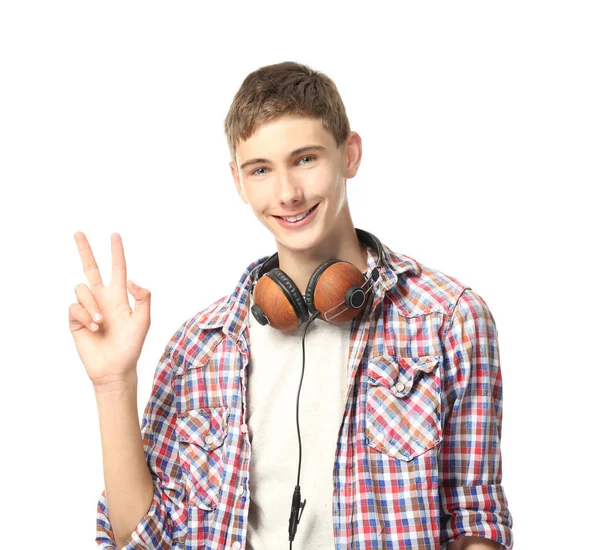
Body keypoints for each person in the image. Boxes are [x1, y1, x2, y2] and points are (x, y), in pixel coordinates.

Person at [70, 61, 514, 549]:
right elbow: (140, 539)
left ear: (350, 154)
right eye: (261, 169)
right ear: (239, 182)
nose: (287, 193)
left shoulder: (449, 319)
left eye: (305, 159)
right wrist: (113, 383)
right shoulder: (197, 349)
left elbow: (475, 524)